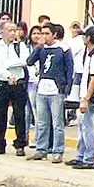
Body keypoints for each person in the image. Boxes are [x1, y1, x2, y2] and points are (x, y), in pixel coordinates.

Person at [26, 23, 73, 163]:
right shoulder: (41, 49)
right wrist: (38, 47)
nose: (44, 36)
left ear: (54, 34)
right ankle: (41, 149)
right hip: (42, 89)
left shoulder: (63, 49)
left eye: (47, 33)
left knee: (57, 123)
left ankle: (58, 150)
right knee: (42, 122)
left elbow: (69, 70)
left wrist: (66, 89)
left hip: (56, 90)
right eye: (42, 33)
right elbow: (29, 61)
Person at [65, 26, 94, 169]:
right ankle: (80, 156)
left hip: (90, 97)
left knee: (88, 127)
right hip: (87, 96)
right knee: (82, 126)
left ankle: (89, 158)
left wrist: (86, 99)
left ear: (89, 38)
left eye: (85, 36)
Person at [0, 22, 30, 156]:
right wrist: (7, 74)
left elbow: (24, 61)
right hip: (2, 82)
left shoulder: (20, 46)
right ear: (2, 32)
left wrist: (7, 66)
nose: (13, 33)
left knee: (19, 114)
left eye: (15, 30)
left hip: (18, 83)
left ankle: (20, 144)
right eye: (10, 30)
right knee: (0, 114)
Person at [23, 23, 43, 133]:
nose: (36, 36)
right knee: (26, 112)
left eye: (39, 33)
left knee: (37, 112)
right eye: (34, 33)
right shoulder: (26, 48)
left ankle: (37, 138)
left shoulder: (44, 49)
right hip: (28, 81)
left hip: (38, 82)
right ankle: (24, 136)